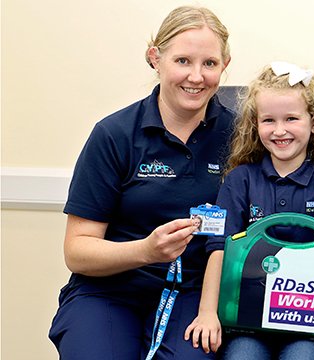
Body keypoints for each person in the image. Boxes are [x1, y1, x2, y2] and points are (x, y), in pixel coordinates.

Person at [48, 6, 234, 360]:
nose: (196, 76)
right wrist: (146, 251)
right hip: (109, 292)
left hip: (197, 295)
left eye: (209, 63)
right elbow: (78, 251)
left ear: (225, 64)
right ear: (156, 58)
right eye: (182, 61)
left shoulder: (240, 138)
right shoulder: (114, 135)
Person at [183, 62, 314, 359]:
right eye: (269, 120)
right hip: (248, 322)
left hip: (310, 325)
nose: (280, 131)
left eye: (291, 118)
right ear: (255, 125)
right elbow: (218, 249)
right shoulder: (240, 180)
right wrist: (207, 313)